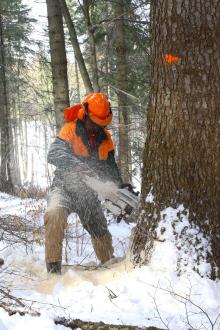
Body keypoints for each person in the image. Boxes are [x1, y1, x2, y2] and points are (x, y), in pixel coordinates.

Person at [44, 92, 123, 274]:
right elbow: (53, 153)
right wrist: (76, 165)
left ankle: (109, 266)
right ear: (85, 115)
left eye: (101, 124)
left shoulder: (105, 139)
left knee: (99, 228)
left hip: (87, 191)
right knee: (54, 213)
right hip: (63, 186)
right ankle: (53, 269)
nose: (97, 127)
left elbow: (111, 170)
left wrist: (118, 191)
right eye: (94, 123)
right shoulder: (70, 130)